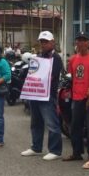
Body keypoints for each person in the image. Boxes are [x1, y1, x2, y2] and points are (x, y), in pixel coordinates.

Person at [21, 30, 64, 161]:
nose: (43, 44)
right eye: (42, 42)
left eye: (46, 42)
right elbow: (32, 73)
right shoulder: (38, 56)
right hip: (35, 94)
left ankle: (55, 150)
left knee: (51, 123)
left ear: (52, 42)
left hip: (47, 95)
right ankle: (36, 147)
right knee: (36, 122)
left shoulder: (56, 58)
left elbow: (52, 76)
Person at [62, 31, 89, 161]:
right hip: (76, 97)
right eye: (78, 40)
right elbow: (72, 77)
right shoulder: (73, 59)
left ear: (88, 43)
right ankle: (76, 152)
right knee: (75, 126)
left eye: (83, 40)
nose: (80, 43)